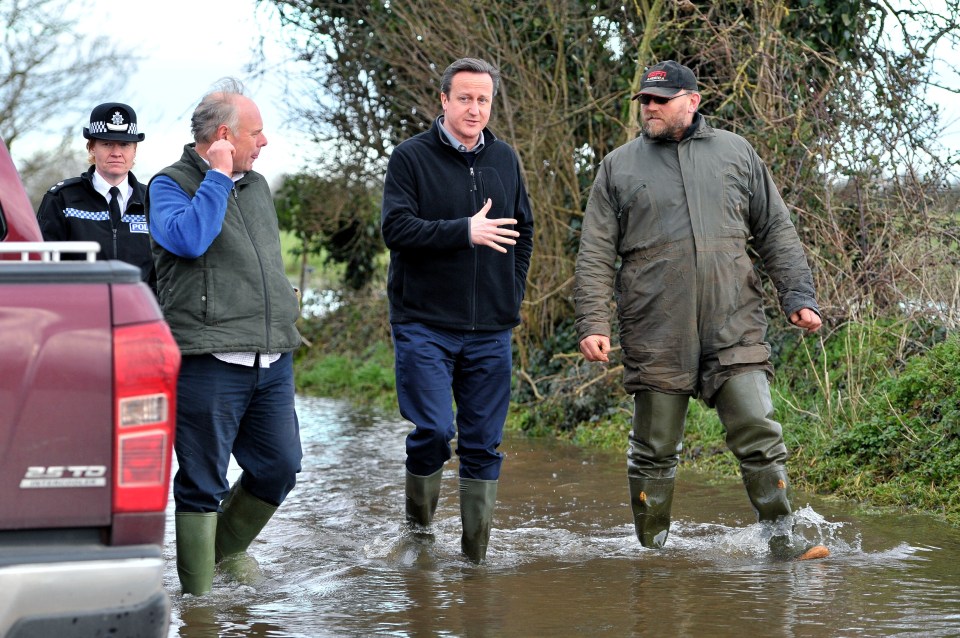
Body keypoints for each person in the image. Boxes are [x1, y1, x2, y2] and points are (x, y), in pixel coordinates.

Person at [574, 60, 828, 561]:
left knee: (759, 431)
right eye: (644, 100)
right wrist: (593, 322)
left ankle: (784, 543)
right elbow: (595, 253)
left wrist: (798, 296)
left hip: (734, 321)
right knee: (654, 449)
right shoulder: (617, 166)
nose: (648, 107)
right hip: (655, 328)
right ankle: (652, 554)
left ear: (692, 101)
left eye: (659, 100)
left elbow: (776, 230)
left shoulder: (737, 152)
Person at [145, 78, 303, 595]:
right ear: (223, 135)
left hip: (271, 356)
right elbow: (189, 240)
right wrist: (215, 175)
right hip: (207, 358)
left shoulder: (256, 186)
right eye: (255, 133)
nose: (264, 142)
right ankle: (199, 604)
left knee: (280, 466)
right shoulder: (168, 185)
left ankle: (225, 554)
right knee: (202, 482)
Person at [380, 57, 534, 563]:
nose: (474, 108)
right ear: (443, 101)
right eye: (464, 98)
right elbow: (396, 229)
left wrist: (510, 294)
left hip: (490, 327)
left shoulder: (506, 159)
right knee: (434, 432)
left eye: (483, 100)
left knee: (484, 444)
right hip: (424, 323)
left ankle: (475, 559)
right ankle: (420, 534)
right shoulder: (410, 158)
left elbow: (524, 232)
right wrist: (463, 231)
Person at [37, 102, 156, 292]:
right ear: (91, 148)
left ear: (135, 150)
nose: (116, 153)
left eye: (124, 145)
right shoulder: (62, 199)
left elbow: (164, 270)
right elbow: (43, 265)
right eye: (107, 144)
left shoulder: (152, 201)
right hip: (80, 313)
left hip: (139, 315)